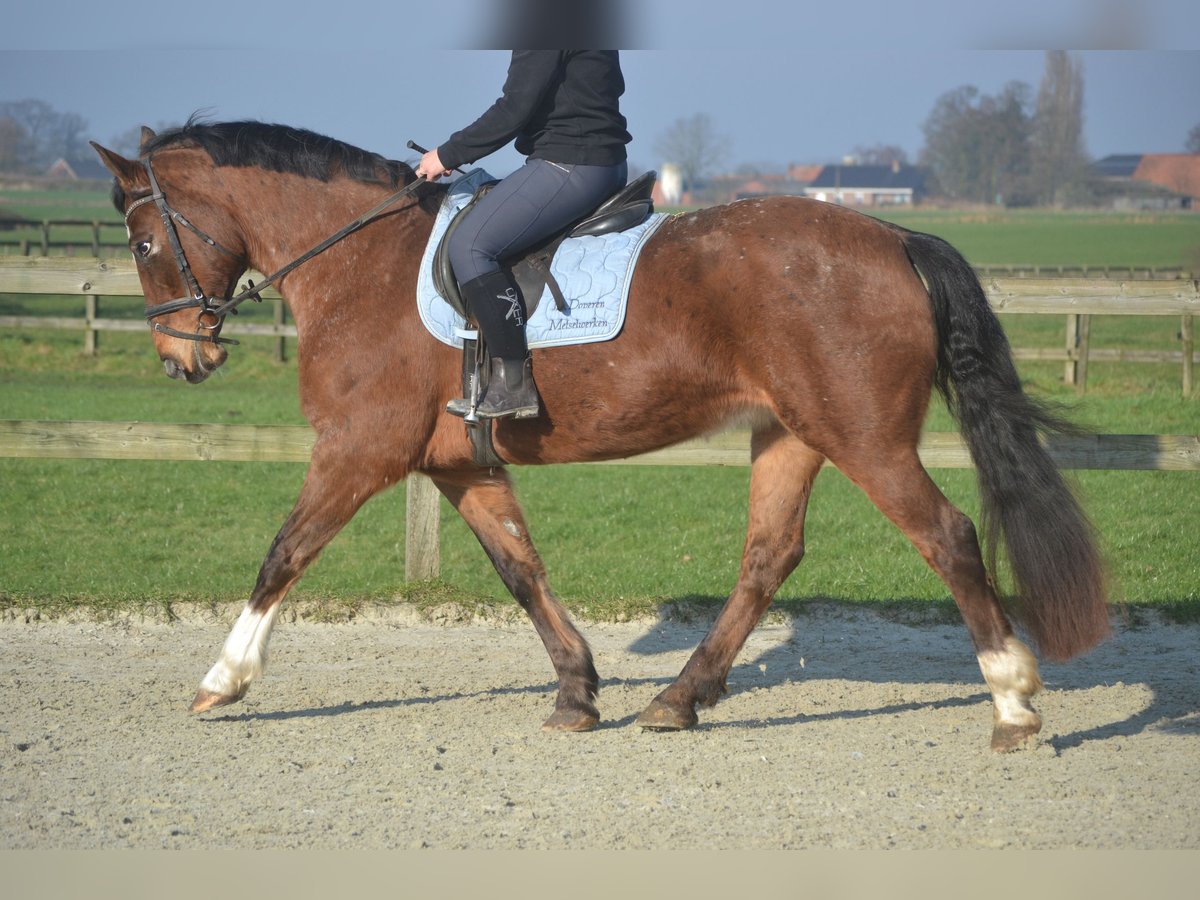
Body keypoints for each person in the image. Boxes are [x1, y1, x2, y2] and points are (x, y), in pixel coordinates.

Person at [416, 50, 631, 419]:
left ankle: (512, 383)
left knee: (470, 246)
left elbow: (515, 108)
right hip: (598, 161)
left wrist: (447, 154)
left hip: (570, 163)